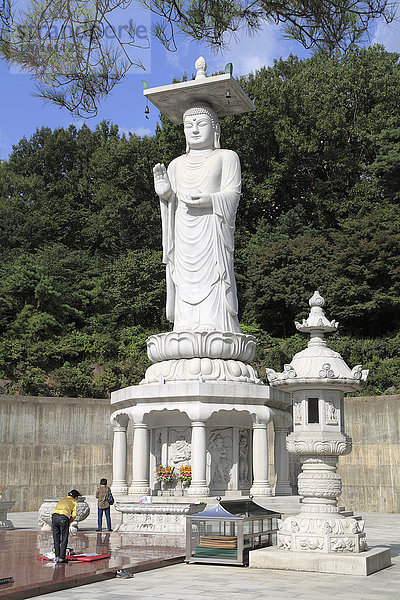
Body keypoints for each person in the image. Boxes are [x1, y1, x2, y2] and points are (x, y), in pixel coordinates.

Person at [153, 101, 241, 334]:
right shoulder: (175, 165)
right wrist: (166, 195)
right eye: (188, 125)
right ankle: (184, 325)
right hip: (183, 233)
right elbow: (172, 204)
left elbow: (233, 194)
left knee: (214, 276)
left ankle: (216, 324)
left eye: (201, 124)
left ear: (215, 129)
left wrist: (212, 200)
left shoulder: (227, 157)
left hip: (212, 229)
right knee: (183, 277)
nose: (194, 130)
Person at [52, 489, 80, 563]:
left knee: (56, 537)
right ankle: (61, 558)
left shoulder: (62, 499)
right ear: (75, 497)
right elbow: (74, 515)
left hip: (54, 517)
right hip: (63, 518)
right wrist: (70, 521)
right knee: (64, 538)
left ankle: (57, 557)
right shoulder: (74, 502)